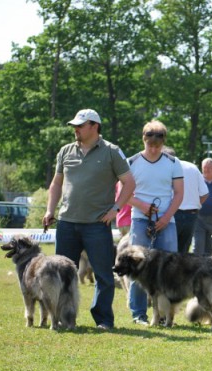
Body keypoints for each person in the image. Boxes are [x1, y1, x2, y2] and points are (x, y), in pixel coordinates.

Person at [43, 108, 136, 330]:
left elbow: (129, 183)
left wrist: (115, 209)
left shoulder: (112, 151)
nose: (76, 129)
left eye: (80, 125)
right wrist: (49, 210)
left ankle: (103, 320)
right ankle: (63, 318)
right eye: (74, 125)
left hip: (97, 225)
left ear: (94, 126)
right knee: (62, 274)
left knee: (103, 275)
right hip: (67, 223)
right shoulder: (65, 151)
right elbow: (56, 184)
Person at [126, 120, 184, 325]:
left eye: (157, 146)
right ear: (143, 140)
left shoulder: (172, 163)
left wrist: (167, 217)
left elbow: (179, 193)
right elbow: (123, 193)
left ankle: (165, 316)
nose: (153, 149)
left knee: (169, 269)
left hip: (167, 221)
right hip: (141, 220)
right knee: (137, 266)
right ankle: (138, 314)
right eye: (150, 145)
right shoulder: (131, 162)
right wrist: (141, 205)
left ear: (163, 143)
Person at [174, 159, 209, 253]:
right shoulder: (192, 167)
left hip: (172, 214)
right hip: (191, 215)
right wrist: (194, 204)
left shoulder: (166, 167)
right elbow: (205, 193)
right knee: (184, 253)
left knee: (168, 253)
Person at [193, 158, 212, 256]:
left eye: (209, 167)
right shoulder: (197, 180)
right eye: (204, 167)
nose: (207, 169)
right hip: (199, 219)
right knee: (198, 246)